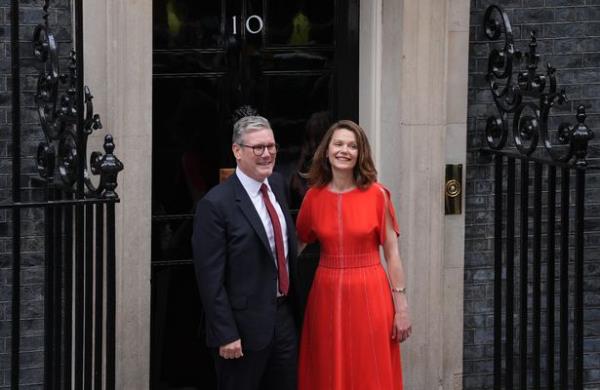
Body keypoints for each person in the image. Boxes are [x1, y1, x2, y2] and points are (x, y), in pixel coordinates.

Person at [296, 119, 411, 389]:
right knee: (326, 366)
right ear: (326, 150)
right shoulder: (313, 197)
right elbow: (298, 244)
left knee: (368, 367)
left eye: (352, 146)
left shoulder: (378, 195)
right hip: (325, 293)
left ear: (361, 154)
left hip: (370, 291)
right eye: (338, 144)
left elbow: (393, 254)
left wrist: (402, 307)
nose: (344, 150)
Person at [192, 115, 299, 390]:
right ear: (237, 151)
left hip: (283, 320)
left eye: (271, 146)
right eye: (258, 148)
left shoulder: (277, 185)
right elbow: (209, 279)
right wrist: (225, 333)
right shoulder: (215, 205)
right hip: (241, 330)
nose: (267, 154)